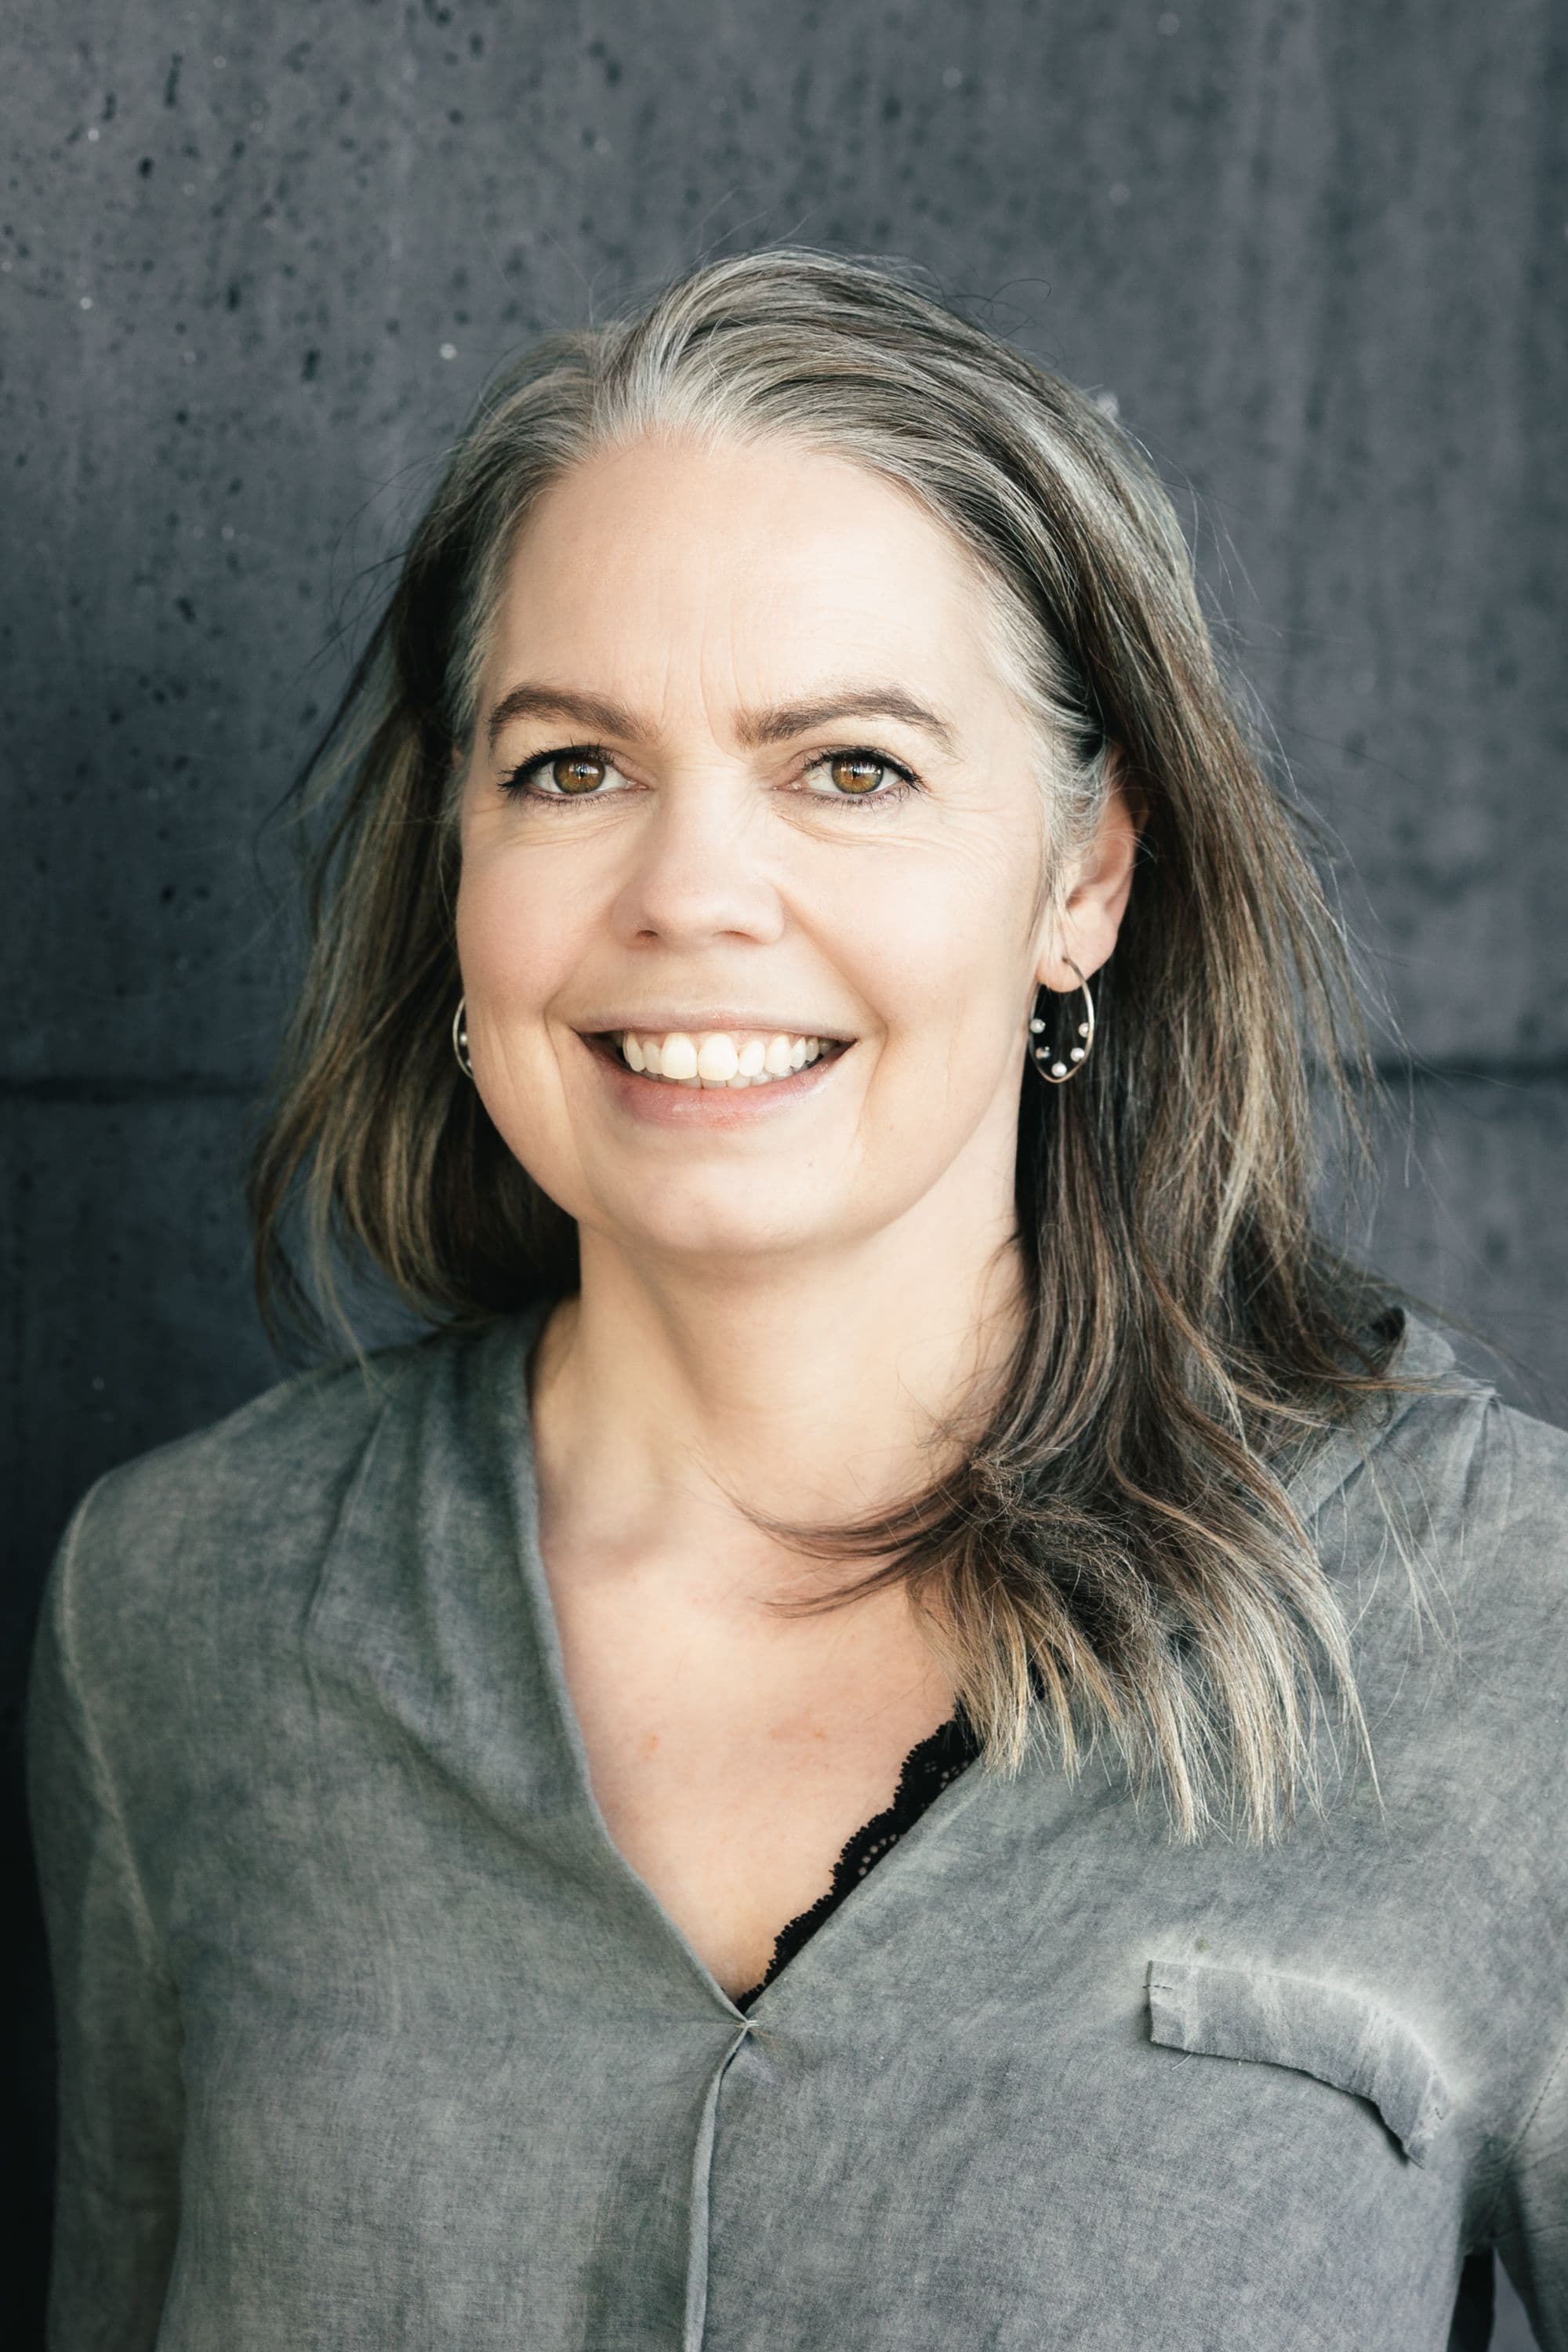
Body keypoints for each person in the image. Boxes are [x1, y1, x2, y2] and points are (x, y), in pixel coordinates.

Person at [26, 247, 1566, 2351]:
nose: (688, 894)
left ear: (1084, 880)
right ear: (455, 869)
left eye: (849, 767)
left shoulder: (1505, 1625)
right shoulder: (180, 1613)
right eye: (572, 766)